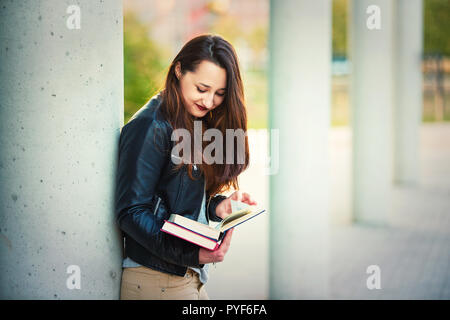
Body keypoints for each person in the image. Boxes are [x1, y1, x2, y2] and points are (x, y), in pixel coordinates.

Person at [115, 34, 257, 300]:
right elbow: (131, 212)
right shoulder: (150, 126)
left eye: (219, 94)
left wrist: (218, 207)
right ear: (179, 70)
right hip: (155, 280)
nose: (209, 101)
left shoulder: (191, 121)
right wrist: (191, 253)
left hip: (184, 277)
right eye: (202, 89)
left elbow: (173, 202)